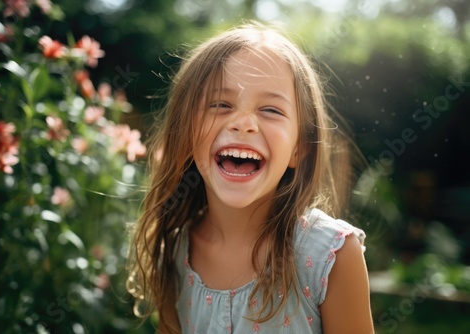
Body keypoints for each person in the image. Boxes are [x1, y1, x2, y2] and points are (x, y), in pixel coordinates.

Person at [127, 22, 374, 334]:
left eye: (270, 110)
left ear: (299, 148)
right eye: (220, 104)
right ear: (187, 133)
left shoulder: (331, 257)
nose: (243, 123)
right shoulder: (176, 251)